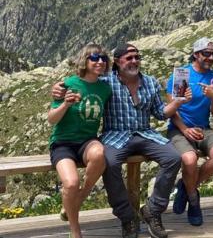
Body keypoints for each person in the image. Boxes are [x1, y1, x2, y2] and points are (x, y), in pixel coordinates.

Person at [53, 42, 191, 238]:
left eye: (137, 57)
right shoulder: (105, 82)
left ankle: (152, 211)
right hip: (115, 135)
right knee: (109, 162)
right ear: (118, 62)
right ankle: (127, 218)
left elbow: (161, 113)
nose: (134, 61)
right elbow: (82, 80)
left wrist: (178, 102)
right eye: (129, 58)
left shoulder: (150, 82)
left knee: (173, 158)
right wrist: (57, 88)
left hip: (145, 133)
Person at [48, 43, 112, 238]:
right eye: (94, 58)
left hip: (87, 140)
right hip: (63, 142)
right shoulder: (68, 84)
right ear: (85, 60)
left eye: (103, 58)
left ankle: (80, 197)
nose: (100, 61)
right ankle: (75, 231)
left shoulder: (105, 88)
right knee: (70, 183)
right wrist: (65, 104)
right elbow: (52, 119)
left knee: (100, 154)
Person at [166, 37, 213, 226]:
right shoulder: (183, 74)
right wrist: (185, 130)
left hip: (204, 128)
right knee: (190, 159)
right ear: (196, 54)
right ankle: (193, 200)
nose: (210, 58)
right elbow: (171, 110)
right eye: (206, 54)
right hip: (179, 128)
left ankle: (186, 186)